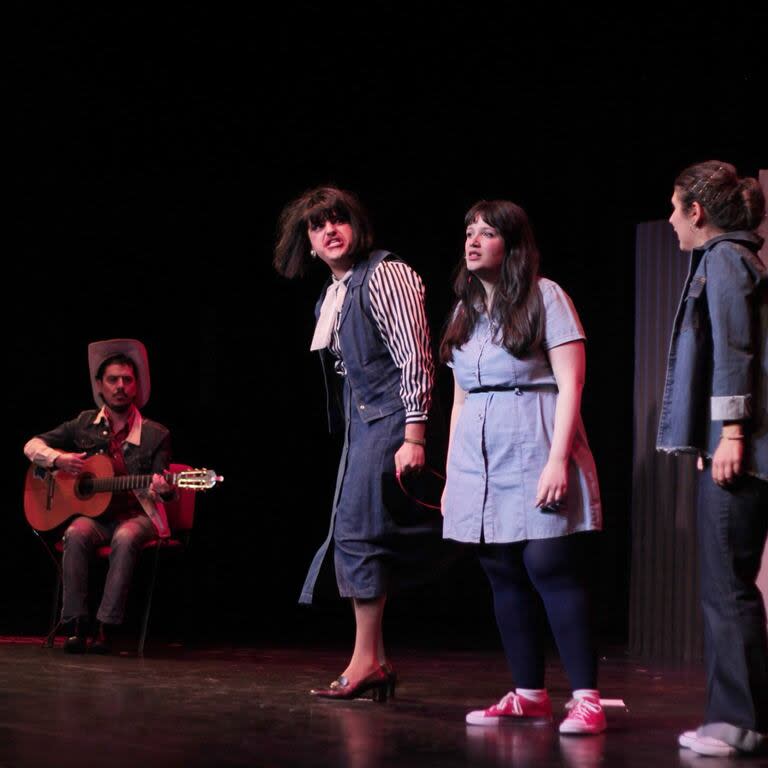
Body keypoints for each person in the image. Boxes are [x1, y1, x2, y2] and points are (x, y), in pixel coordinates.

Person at [440, 200, 604, 734]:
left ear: (511, 245)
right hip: (478, 456)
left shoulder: (545, 296)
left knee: (549, 566)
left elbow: (570, 382)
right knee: (501, 572)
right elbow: (461, 397)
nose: (472, 240)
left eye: (486, 233)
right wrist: (451, 477)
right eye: (469, 232)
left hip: (533, 442)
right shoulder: (465, 310)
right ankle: (529, 693)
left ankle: (587, 699)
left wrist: (558, 461)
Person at [274, 186, 435, 701]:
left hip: (392, 421)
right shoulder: (333, 292)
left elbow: (415, 357)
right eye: (318, 226)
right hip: (363, 425)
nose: (329, 230)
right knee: (353, 534)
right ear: (309, 242)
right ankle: (375, 660)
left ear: (356, 225)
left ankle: (366, 661)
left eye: (338, 219)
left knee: (360, 536)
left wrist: (413, 434)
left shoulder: (387, 275)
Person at [658, 161, 768, 757]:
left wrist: (731, 433)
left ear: (696, 212)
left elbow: (736, 346)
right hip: (735, 443)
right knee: (734, 585)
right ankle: (746, 719)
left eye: (674, 209)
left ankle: (733, 722)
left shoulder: (724, 259)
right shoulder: (737, 258)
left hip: (741, 448)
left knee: (726, 586)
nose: (671, 221)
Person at [24, 339, 174, 653]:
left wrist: (164, 487)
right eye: (113, 380)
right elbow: (31, 445)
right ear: (100, 385)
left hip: (137, 514)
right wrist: (57, 460)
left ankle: (106, 627)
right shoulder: (83, 424)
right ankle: (77, 625)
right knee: (75, 533)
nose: (120, 386)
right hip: (95, 518)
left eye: (127, 380)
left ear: (136, 386)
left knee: (125, 536)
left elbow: (163, 488)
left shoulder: (156, 434)